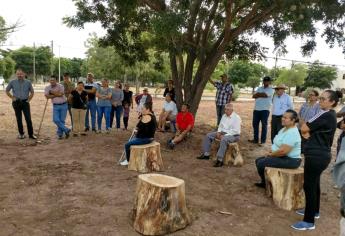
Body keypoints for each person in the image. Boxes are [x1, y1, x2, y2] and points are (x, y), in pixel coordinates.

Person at [291, 90, 338, 231]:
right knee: (315, 184)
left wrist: (308, 133)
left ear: (332, 102)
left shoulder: (324, 114)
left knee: (309, 186)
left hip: (316, 155)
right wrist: (309, 133)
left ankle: (308, 221)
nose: (320, 101)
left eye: (323, 99)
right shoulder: (331, 115)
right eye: (320, 98)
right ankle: (314, 211)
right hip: (321, 154)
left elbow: (304, 127)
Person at [254, 109, 301, 188]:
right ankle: (265, 182)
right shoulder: (284, 129)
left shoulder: (292, 132)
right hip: (282, 157)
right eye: (283, 116)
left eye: (285, 118)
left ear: (293, 120)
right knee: (258, 160)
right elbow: (277, 144)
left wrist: (271, 154)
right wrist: (271, 152)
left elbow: (283, 151)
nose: (282, 119)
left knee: (261, 163)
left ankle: (268, 185)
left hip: (291, 160)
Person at [197, 103, 241, 167]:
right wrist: (219, 132)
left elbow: (236, 131)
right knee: (208, 135)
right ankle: (206, 154)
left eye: (228, 110)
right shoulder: (224, 116)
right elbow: (220, 125)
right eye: (225, 109)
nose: (226, 111)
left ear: (232, 110)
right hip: (222, 133)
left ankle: (219, 160)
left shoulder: (236, 118)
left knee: (224, 139)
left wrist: (225, 135)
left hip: (234, 135)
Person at [5, 68, 36, 139]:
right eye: (18, 74)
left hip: (25, 102)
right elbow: (7, 90)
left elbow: (32, 92)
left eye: (21, 74)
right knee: (19, 119)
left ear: (24, 74)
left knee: (28, 119)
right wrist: (12, 97)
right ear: (16, 74)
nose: (19, 75)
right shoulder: (12, 82)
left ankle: (31, 135)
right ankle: (21, 134)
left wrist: (29, 100)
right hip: (16, 103)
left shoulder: (28, 82)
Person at [249, 76, 274, 145]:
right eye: (264, 81)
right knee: (255, 124)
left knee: (264, 125)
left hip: (265, 110)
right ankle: (255, 139)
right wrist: (259, 94)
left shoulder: (271, 89)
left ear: (269, 82)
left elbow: (265, 95)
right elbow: (253, 96)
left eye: (267, 81)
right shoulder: (259, 88)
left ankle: (263, 141)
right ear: (263, 81)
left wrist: (258, 94)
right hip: (256, 109)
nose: (266, 82)